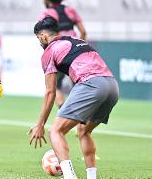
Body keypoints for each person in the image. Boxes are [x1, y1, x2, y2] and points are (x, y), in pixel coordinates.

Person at [28, 17, 119, 179]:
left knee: (55, 131)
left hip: (90, 84)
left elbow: (50, 92)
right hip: (112, 86)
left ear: (42, 36)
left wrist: (40, 123)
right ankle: (92, 177)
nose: (39, 42)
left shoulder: (49, 51)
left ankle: (70, 176)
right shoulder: (77, 40)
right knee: (83, 131)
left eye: (37, 38)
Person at [38, 0, 87, 108]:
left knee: (54, 86)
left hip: (58, 52)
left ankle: (63, 107)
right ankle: (78, 109)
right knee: (77, 84)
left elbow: (43, 35)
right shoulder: (70, 10)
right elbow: (83, 32)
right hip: (75, 52)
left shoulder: (47, 13)